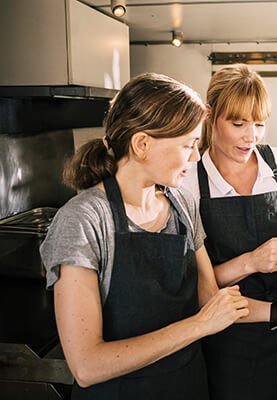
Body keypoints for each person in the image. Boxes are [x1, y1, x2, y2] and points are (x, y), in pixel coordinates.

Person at [40, 73, 249, 399]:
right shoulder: (84, 220)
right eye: (188, 144)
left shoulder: (182, 204)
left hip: (187, 386)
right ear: (142, 145)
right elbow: (86, 366)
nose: (195, 157)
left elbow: (209, 298)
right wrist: (198, 326)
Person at [185, 64, 277, 400]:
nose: (250, 136)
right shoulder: (189, 181)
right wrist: (251, 261)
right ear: (210, 116)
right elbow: (193, 283)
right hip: (223, 329)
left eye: (259, 124)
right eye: (237, 123)